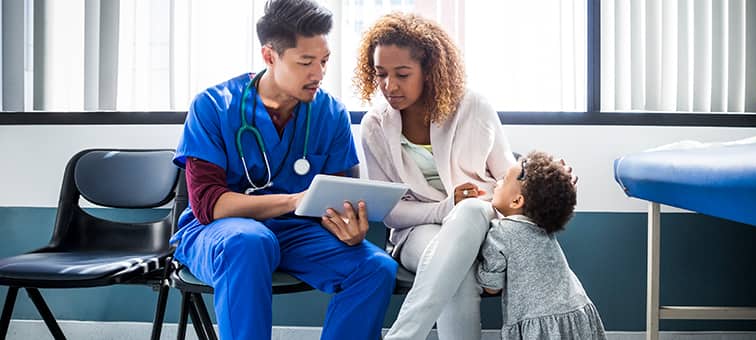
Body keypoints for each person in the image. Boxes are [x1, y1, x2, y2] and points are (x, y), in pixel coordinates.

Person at [171, 1, 396, 339]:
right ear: (269, 56)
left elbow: (336, 198)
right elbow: (208, 205)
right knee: (250, 241)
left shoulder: (330, 113)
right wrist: (292, 201)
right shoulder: (213, 106)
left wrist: (348, 226)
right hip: (218, 233)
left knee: (375, 267)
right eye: (305, 62)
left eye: (323, 61)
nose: (318, 73)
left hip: (297, 233)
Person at [355, 12, 516, 340]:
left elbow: (507, 177)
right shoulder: (374, 125)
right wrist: (446, 207)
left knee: (470, 210)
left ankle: (402, 335)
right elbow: (390, 212)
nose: (389, 86)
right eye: (380, 74)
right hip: (416, 232)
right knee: (455, 272)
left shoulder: (474, 107)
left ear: (428, 71)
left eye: (402, 74)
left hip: (481, 221)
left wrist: (544, 182)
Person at [477, 151, 607, 340]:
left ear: (516, 201)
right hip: (577, 309)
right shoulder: (544, 227)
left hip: (540, 322)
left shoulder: (501, 232)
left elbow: (491, 287)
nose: (496, 184)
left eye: (503, 180)